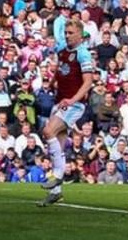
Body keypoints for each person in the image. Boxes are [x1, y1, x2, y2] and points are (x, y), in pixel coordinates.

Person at [37, 20, 93, 207]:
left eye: (71, 32)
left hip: (73, 104)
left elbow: (88, 82)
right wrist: (53, 82)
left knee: (48, 132)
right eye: (66, 32)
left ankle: (59, 176)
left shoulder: (83, 53)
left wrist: (73, 100)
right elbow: (61, 70)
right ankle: (56, 193)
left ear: (80, 34)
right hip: (60, 100)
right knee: (57, 148)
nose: (67, 35)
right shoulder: (62, 50)